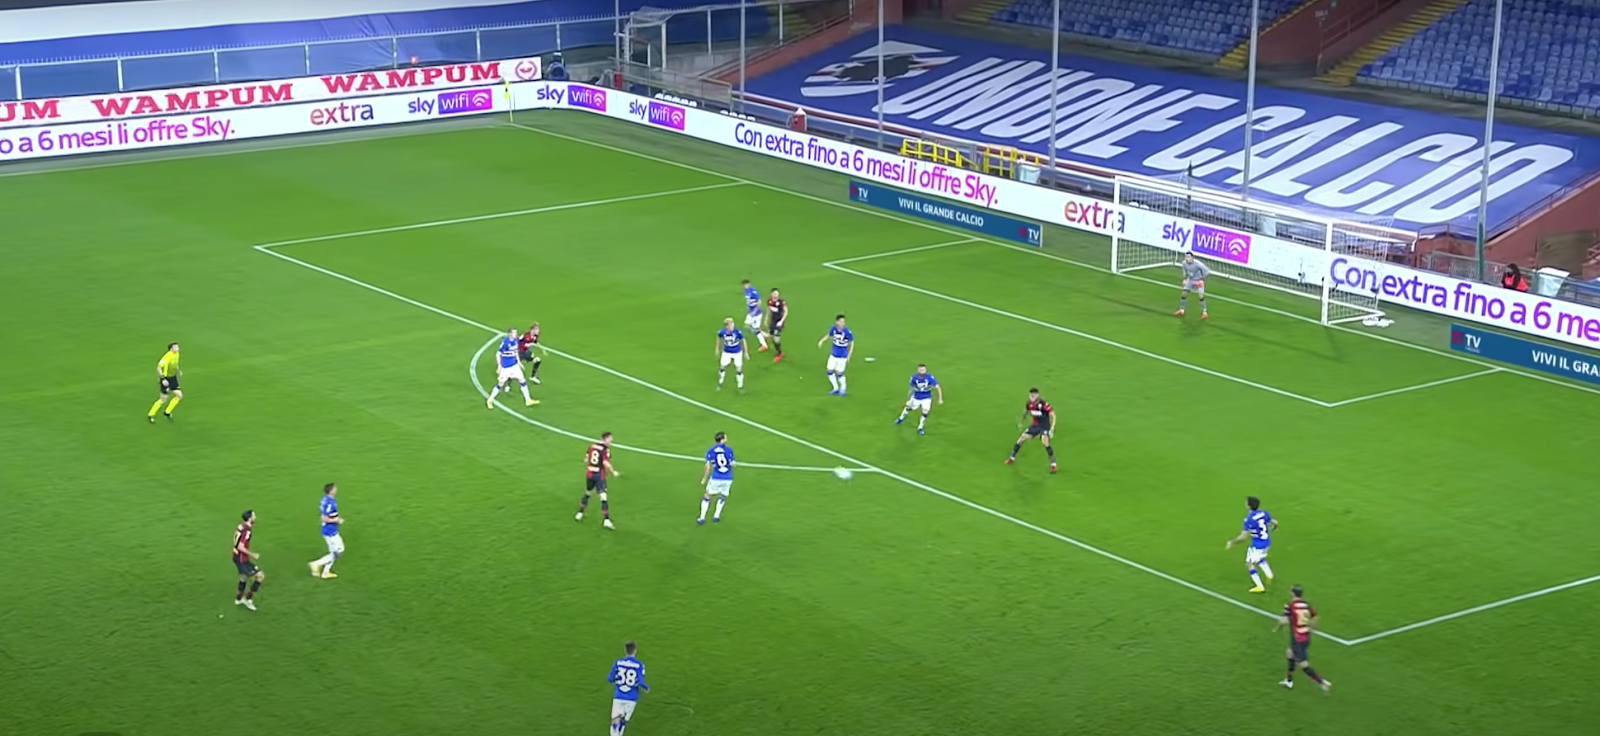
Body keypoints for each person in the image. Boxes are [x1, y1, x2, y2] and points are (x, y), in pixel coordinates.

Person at [1273, 585, 1332, 692]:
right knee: (1289, 653)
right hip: (1306, 637)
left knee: (1303, 664)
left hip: (1297, 639)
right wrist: (1313, 627)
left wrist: (1277, 628)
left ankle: (1321, 682)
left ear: (1292, 593)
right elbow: (1315, 616)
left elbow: (1283, 621)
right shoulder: (1307, 605)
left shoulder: (1290, 606)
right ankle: (1288, 680)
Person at [1225, 496, 1278, 593]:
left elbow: (1243, 537)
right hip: (1266, 542)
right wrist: (1274, 528)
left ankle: (1259, 586)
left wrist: (1232, 542)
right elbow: (1275, 522)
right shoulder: (1264, 513)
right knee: (1259, 558)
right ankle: (1269, 575)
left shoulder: (1249, 519)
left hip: (1257, 545)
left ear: (1248, 506)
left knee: (1249, 563)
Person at [1005, 388, 1057, 473]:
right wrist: (1021, 421)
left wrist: (1052, 429)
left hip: (1044, 426)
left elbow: (1053, 415)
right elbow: (1025, 411)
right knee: (1021, 439)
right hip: (1035, 426)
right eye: (1031, 395)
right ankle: (1011, 458)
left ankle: (1053, 464)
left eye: (1034, 395)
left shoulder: (1043, 404)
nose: (1032, 396)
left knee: (1045, 442)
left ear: (1037, 395)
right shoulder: (1029, 403)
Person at [578, 432, 620, 529]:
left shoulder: (591, 446)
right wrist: (613, 472)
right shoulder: (605, 450)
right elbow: (605, 463)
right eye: (610, 439)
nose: (611, 441)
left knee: (588, 493)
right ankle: (606, 520)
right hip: (599, 475)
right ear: (606, 439)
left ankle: (580, 513)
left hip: (590, 474)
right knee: (603, 497)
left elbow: (586, 459)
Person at [607, 640, 649, 735]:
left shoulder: (618, 662)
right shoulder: (639, 665)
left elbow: (609, 678)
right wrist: (646, 688)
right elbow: (640, 681)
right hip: (632, 697)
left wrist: (616, 681)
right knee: (623, 720)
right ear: (635, 650)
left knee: (615, 720)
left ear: (625, 650)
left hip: (619, 696)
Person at [487, 328, 537, 408]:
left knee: (522, 380)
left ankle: (528, 400)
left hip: (514, 365)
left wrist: (519, 362)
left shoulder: (516, 341)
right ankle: (490, 400)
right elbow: (498, 354)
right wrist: (499, 366)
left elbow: (516, 352)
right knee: (500, 384)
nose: (516, 334)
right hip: (506, 367)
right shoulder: (505, 342)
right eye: (514, 333)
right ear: (510, 334)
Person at [308, 483, 344, 579]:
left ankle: (325, 573)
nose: (336, 489)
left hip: (328, 530)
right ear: (331, 491)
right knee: (338, 551)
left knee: (334, 552)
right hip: (330, 531)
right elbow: (324, 518)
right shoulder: (330, 503)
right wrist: (337, 520)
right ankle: (315, 564)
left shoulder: (324, 499)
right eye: (335, 488)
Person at [895, 364, 943, 435]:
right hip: (916, 397)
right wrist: (908, 399)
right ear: (918, 370)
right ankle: (901, 418)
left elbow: (938, 387)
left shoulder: (930, 377)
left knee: (925, 411)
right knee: (908, 408)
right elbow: (911, 389)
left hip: (926, 398)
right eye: (921, 370)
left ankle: (920, 428)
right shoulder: (914, 377)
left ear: (926, 370)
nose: (922, 371)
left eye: (923, 370)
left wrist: (940, 398)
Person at [698, 432, 734, 524]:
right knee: (723, 496)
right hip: (728, 478)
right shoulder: (729, 450)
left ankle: (702, 517)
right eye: (725, 437)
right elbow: (732, 464)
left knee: (707, 496)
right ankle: (716, 516)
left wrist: (705, 478)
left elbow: (707, 467)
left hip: (716, 477)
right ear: (722, 439)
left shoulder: (710, 451)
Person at [232, 510, 263, 611]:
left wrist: (235, 548)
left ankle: (238, 599)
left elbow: (235, 538)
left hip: (236, 556)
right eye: (254, 515)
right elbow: (240, 546)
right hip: (242, 559)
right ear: (250, 518)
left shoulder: (241, 526)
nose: (255, 517)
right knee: (260, 576)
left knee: (243, 577)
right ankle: (247, 599)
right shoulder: (247, 531)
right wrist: (252, 554)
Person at [817, 314, 854, 396]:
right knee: (829, 371)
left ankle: (843, 389)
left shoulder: (847, 332)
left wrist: (849, 355)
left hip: (842, 357)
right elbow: (828, 335)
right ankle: (835, 388)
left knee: (839, 374)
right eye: (841, 321)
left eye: (843, 322)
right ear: (837, 322)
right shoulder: (833, 328)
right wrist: (822, 341)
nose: (843, 323)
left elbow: (851, 344)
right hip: (833, 355)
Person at [148, 342, 183, 422]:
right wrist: (163, 379)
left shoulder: (177, 354)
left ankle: (167, 412)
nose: (178, 348)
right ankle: (151, 414)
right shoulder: (167, 356)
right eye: (176, 347)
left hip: (172, 378)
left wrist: (178, 370)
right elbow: (159, 367)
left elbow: (175, 363)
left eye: (177, 347)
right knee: (163, 399)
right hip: (166, 379)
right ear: (171, 349)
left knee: (179, 395)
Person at [714, 318, 748, 391]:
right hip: (727, 352)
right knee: (722, 367)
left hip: (737, 352)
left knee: (739, 369)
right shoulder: (722, 332)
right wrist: (717, 348)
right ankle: (720, 382)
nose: (732, 326)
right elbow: (718, 337)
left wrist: (746, 352)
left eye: (732, 324)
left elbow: (743, 340)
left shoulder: (737, 332)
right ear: (726, 326)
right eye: (730, 325)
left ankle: (740, 386)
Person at [1175, 253, 1210, 319]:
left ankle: (1205, 312)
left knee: (1201, 296)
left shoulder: (1198, 264)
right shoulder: (1184, 263)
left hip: (1199, 280)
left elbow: (1207, 271)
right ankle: (1181, 310)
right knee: (1184, 294)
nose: (1187, 258)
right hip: (1190, 280)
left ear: (1192, 258)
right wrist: (1184, 279)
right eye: (1186, 257)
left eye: (1188, 257)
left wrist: (1202, 280)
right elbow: (1185, 271)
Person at [741, 280, 769, 351]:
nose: (745, 286)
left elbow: (759, 302)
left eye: (746, 285)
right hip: (750, 313)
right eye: (744, 285)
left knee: (755, 330)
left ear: (749, 284)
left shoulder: (753, 292)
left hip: (756, 314)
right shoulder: (746, 291)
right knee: (748, 325)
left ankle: (764, 345)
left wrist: (754, 311)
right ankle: (763, 334)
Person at [767, 288, 789, 363]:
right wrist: (766, 319)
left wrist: (781, 321)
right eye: (774, 293)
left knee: (776, 337)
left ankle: (779, 353)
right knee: (771, 336)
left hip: (779, 322)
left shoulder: (781, 302)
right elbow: (769, 310)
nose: (776, 295)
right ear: (771, 294)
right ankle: (777, 349)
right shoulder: (769, 301)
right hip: (773, 321)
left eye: (777, 294)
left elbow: (786, 311)